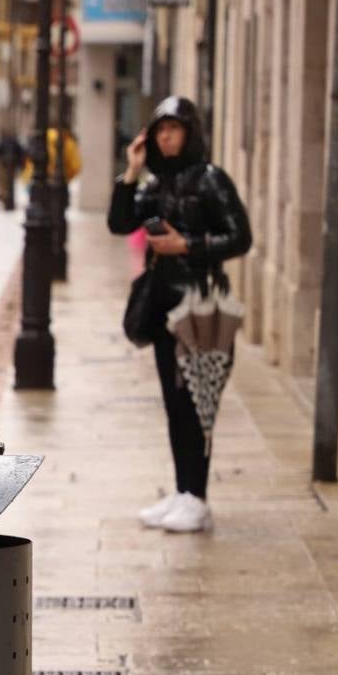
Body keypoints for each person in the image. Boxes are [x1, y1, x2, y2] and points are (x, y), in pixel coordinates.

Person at [107, 95, 251, 533]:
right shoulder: (157, 184)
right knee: (174, 402)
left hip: (202, 307)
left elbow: (240, 237)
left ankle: (198, 496)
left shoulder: (211, 180)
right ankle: (184, 490)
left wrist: (187, 245)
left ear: (190, 133)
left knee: (197, 400)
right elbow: (119, 223)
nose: (167, 137)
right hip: (165, 307)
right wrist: (132, 171)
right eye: (160, 130)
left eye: (175, 129)